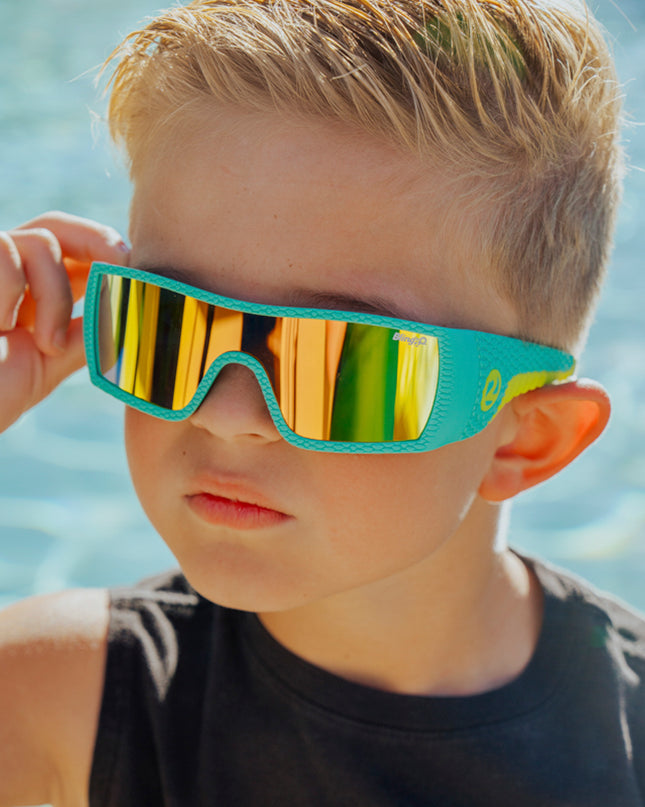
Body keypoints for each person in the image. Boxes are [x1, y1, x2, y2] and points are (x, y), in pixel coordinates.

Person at [0, 0, 643, 804]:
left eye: (338, 363)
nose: (226, 413)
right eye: (166, 323)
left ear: (523, 439)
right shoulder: (51, 700)